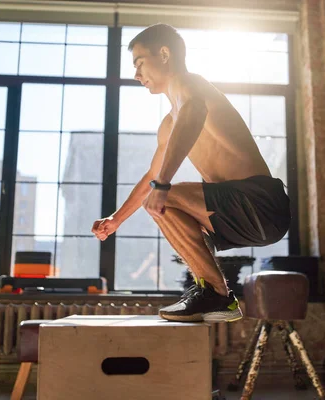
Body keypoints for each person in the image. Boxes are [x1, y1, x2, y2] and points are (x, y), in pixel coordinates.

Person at [92, 24, 291, 323]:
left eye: (139, 63)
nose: (136, 75)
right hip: (240, 218)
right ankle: (211, 292)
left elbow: (193, 114)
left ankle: (218, 295)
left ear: (164, 54)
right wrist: (116, 219)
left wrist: (163, 185)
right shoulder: (169, 123)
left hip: (261, 203)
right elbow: (152, 175)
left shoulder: (191, 85)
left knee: (163, 198)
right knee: (159, 206)